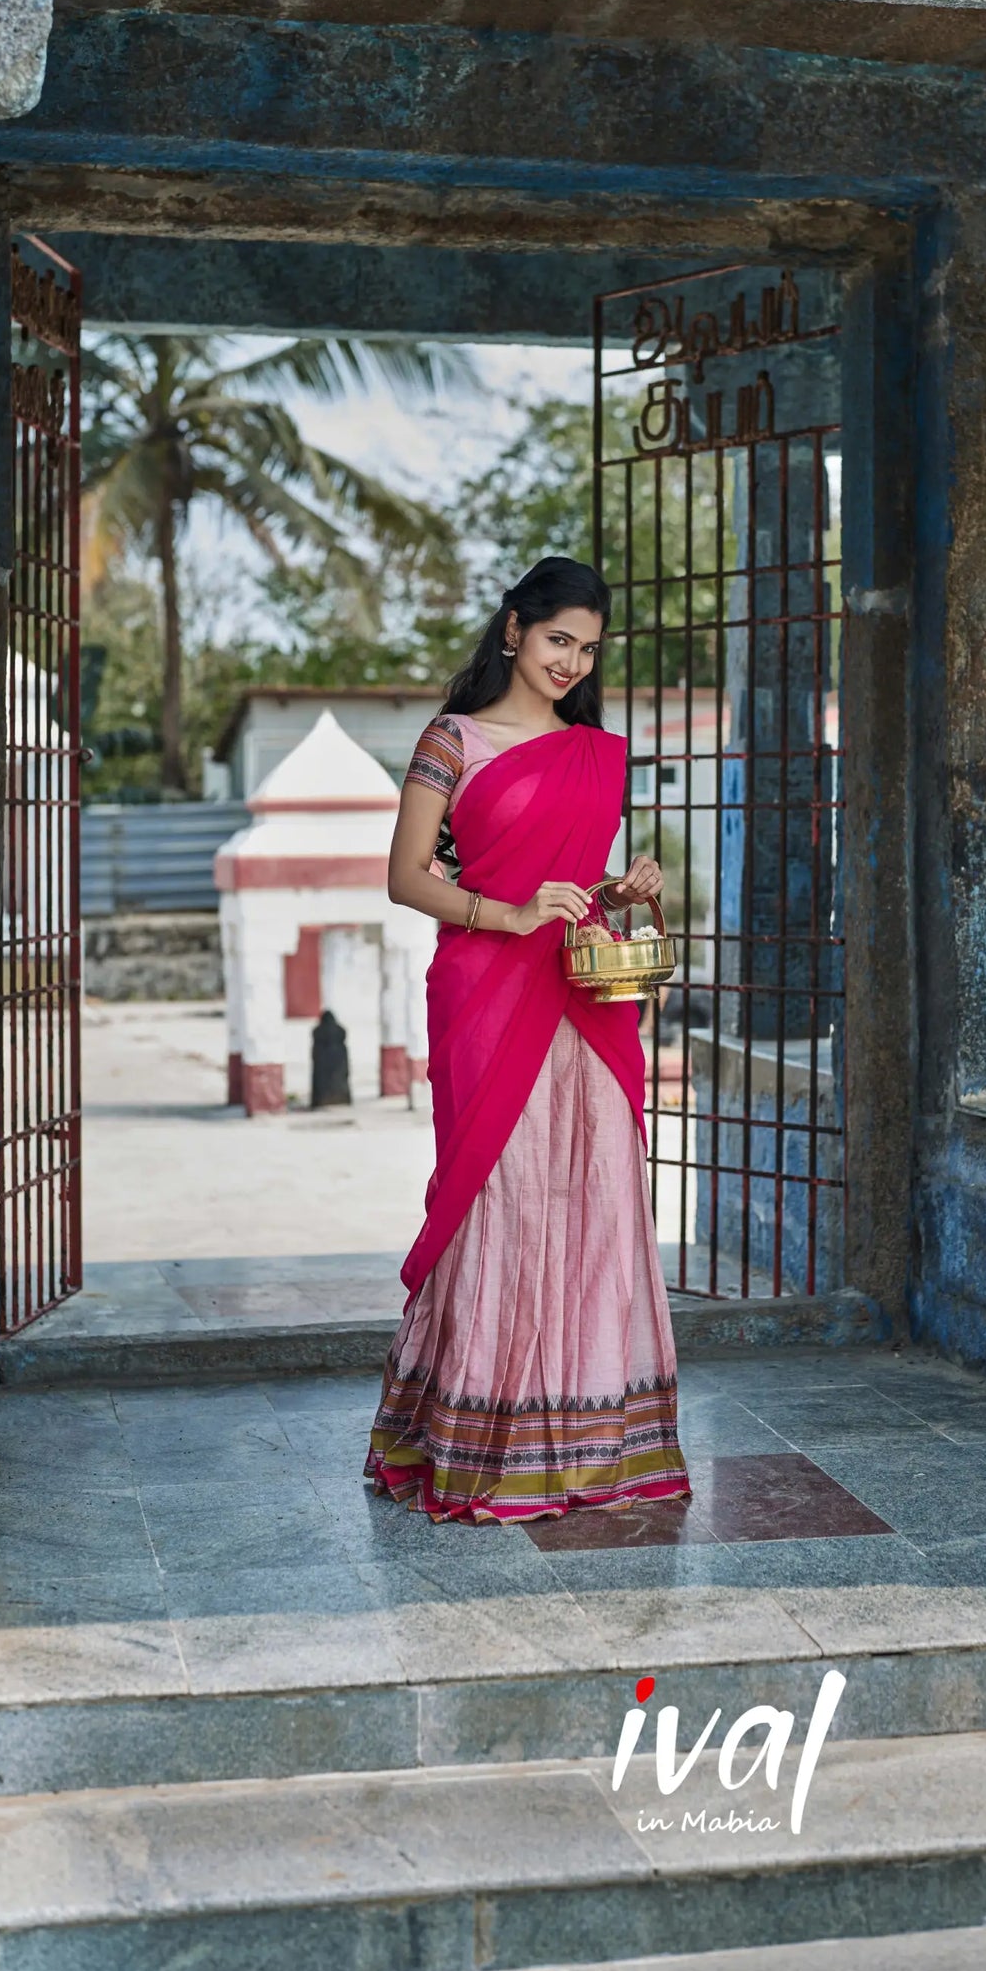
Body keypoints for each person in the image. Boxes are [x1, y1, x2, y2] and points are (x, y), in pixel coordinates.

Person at [365, 556, 691, 1522]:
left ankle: (589, 1444)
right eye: (558, 640)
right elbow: (405, 876)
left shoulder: (592, 749)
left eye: (587, 649)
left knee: (591, 1197)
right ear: (514, 629)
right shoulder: (451, 740)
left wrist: (624, 890)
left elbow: (571, 877)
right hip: (486, 991)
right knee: (500, 1201)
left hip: (583, 996)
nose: (571, 662)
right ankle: (482, 1437)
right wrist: (506, 916)